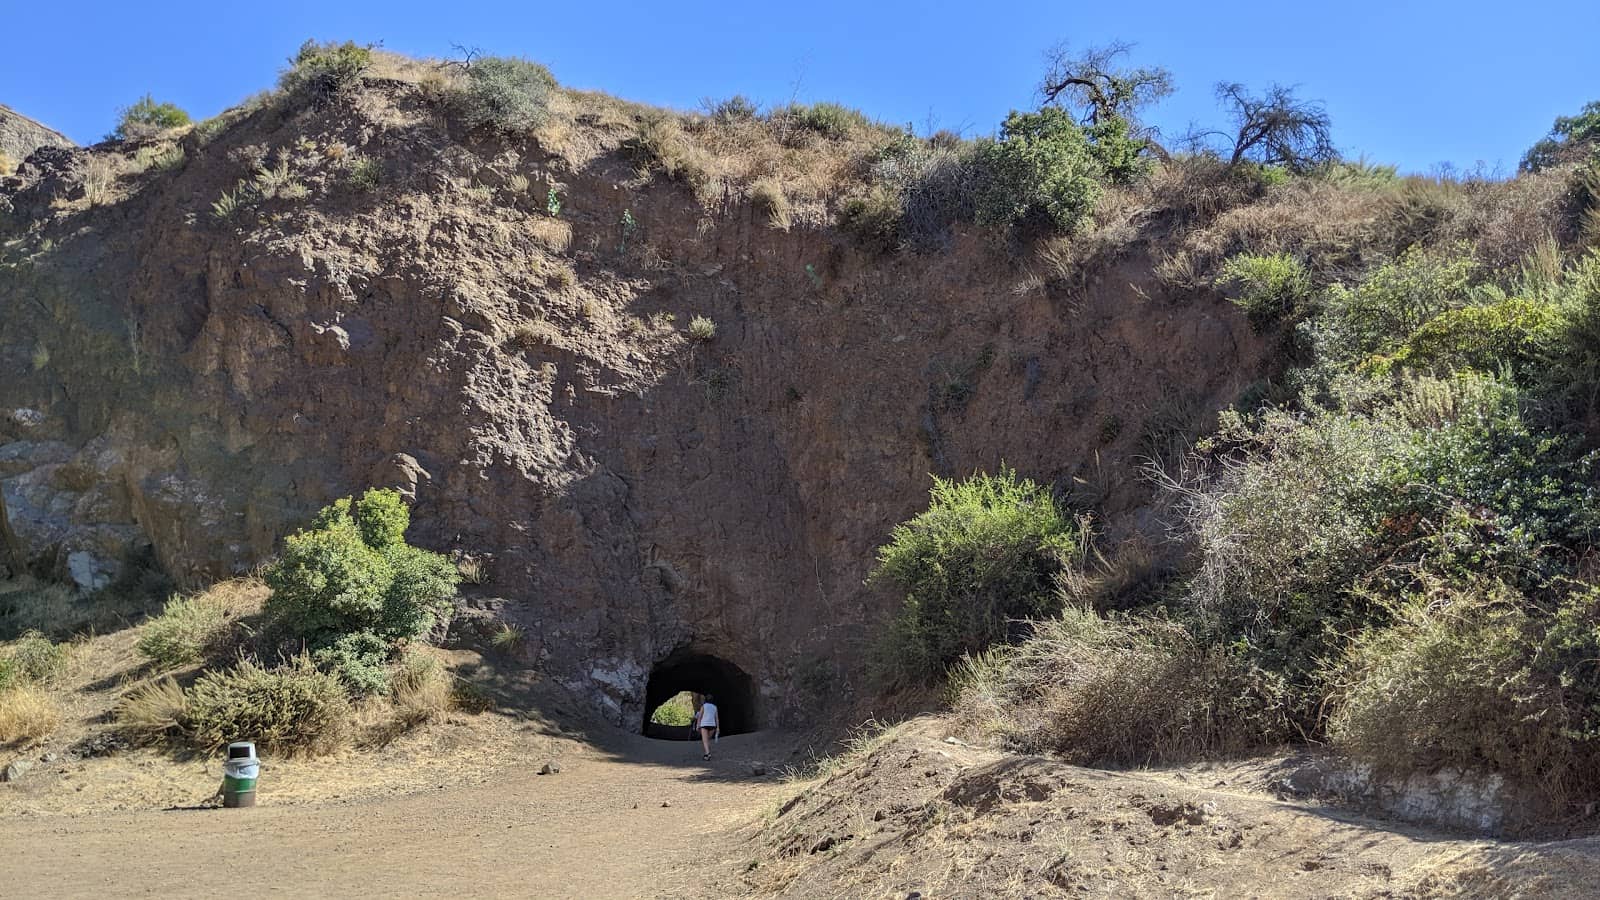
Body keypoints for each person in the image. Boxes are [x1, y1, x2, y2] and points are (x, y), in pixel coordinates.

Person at [692, 693, 720, 760]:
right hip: (712, 725)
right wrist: (718, 728)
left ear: (705, 700)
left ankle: (707, 754)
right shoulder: (715, 707)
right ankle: (706, 753)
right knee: (708, 740)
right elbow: (716, 718)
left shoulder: (703, 706)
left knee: (705, 741)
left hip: (704, 725)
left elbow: (700, 717)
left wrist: (697, 726)